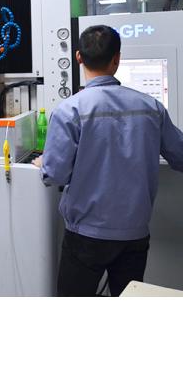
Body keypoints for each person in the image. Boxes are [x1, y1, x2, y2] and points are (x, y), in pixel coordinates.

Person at [33, 25, 183, 297]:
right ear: (117, 59)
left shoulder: (69, 110)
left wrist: (44, 162)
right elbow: (180, 155)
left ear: (78, 57)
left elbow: (54, 174)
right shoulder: (152, 107)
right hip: (134, 235)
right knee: (128, 300)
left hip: (85, 237)